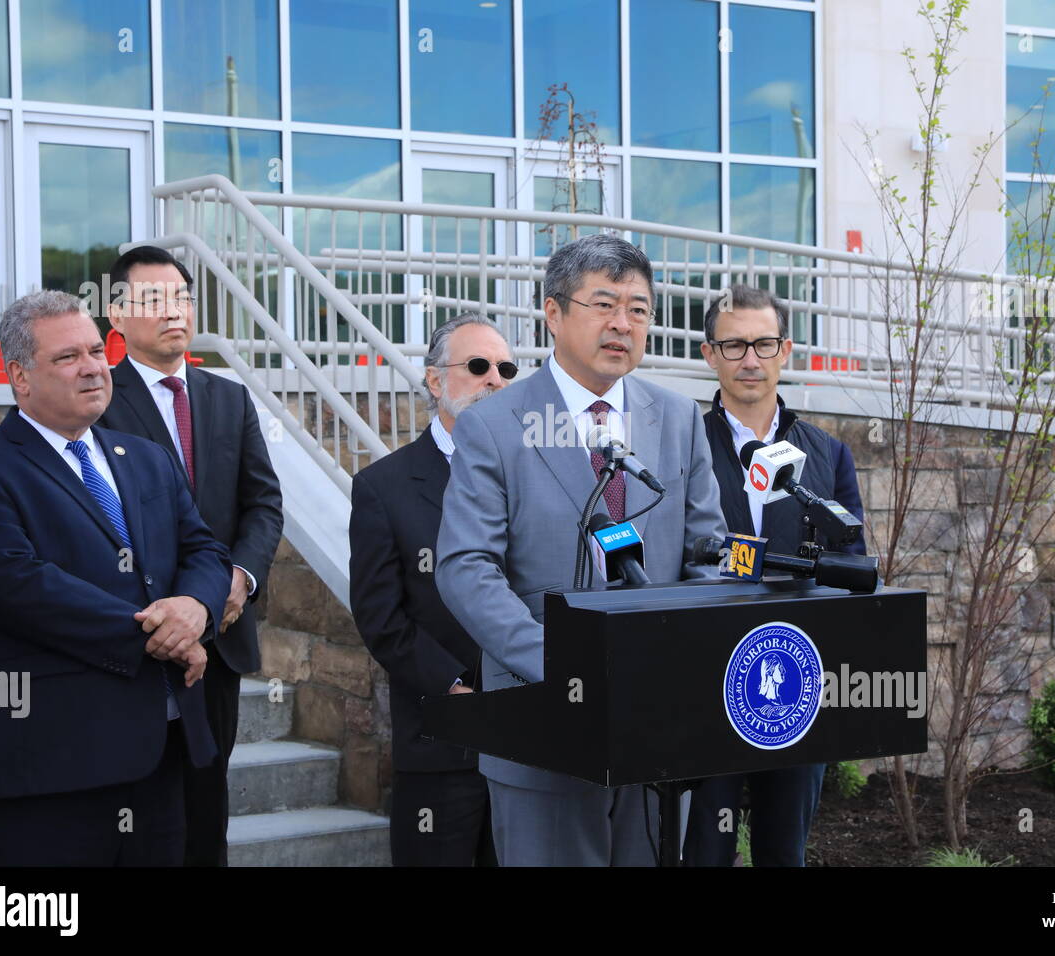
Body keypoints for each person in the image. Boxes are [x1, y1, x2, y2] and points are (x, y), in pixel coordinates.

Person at [435, 234, 727, 866]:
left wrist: (683, 653)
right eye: (603, 304)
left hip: (657, 724)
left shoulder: (678, 419)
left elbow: (709, 553)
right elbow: (466, 568)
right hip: (540, 718)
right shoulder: (494, 424)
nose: (622, 323)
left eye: (639, 309)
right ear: (554, 313)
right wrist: (561, 663)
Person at [0, 290, 231, 866]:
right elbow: (20, 587)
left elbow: (204, 549)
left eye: (97, 350)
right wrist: (161, 634)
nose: (93, 366)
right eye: (68, 357)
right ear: (19, 376)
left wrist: (196, 608)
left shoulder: (145, 457)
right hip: (48, 775)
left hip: (162, 758)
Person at [99, 245, 283, 867]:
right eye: (153, 299)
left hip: (223, 634)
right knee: (143, 816)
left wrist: (240, 579)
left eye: (181, 296)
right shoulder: (98, 400)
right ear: (116, 315)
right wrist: (174, 613)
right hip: (141, 635)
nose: (173, 311)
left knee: (208, 809)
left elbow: (262, 504)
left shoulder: (227, 397)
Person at [683, 283, 867, 867]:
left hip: (794, 677)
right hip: (701, 677)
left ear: (786, 349)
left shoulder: (827, 453)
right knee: (703, 851)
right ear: (709, 355)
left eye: (764, 344)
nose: (750, 360)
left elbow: (851, 562)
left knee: (783, 851)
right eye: (733, 346)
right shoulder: (683, 444)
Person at [349, 313, 514, 867]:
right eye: (477, 366)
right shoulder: (384, 487)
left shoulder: (537, 472)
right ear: (435, 381)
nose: (494, 378)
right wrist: (453, 688)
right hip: (441, 742)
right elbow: (381, 617)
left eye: (505, 368)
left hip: (531, 738)